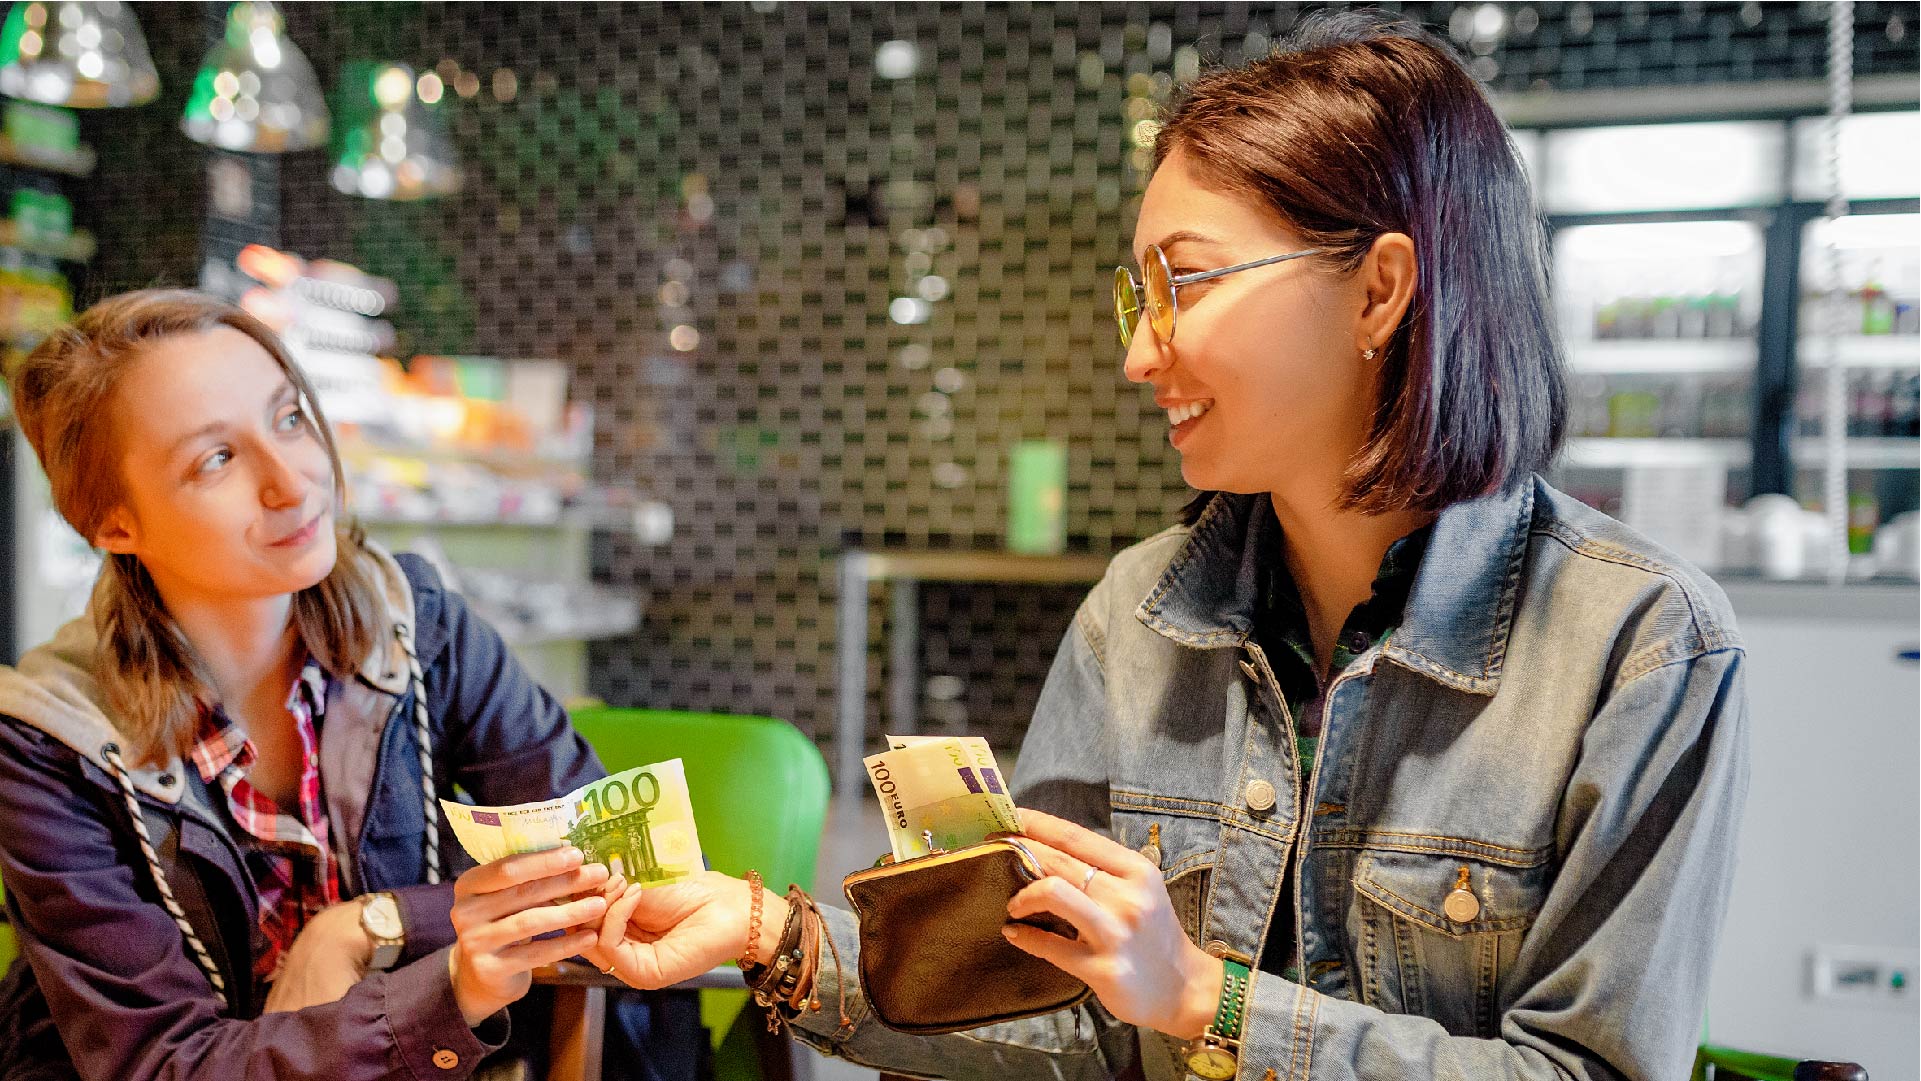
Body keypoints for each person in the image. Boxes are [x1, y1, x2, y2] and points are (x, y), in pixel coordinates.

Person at [498, 12, 1747, 1081]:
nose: (1139, 354)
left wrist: (1207, 1002)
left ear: (1378, 290)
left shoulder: (1640, 648)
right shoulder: (1139, 610)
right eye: (1135, 298)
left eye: (1185, 284)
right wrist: (764, 932)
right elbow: (1046, 1002)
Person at [0, 289, 670, 1080]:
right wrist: (447, 973)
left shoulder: (416, 623)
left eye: (288, 419)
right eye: (215, 459)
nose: (293, 481)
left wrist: (369, 923)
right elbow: (161, 1063)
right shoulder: (49, 740)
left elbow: (602, 855)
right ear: (115, 525)